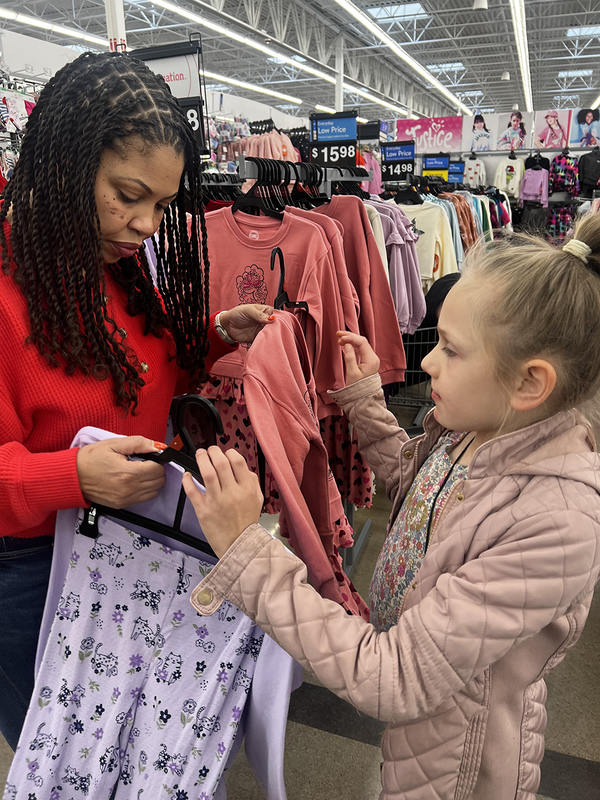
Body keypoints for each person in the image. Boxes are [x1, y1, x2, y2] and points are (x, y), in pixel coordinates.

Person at [183, 218, 600, 800]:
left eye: (451, 351)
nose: (427, 363)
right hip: (426, 727)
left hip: (462, 770)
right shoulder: (484, 432)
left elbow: (395, 675)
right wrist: (362, 400)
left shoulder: (556, 521)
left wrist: (247, 555)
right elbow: (419, 487)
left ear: (530, 383)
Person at [0, 51, 273, 750]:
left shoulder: (115, 262)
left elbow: (138, 366)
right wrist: (71, 477)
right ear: (64, 164)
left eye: (161, 204)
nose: (147, 223)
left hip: (135, 545)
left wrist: (213, 338)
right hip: (33, 570)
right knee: (61, 758)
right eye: (128, 193)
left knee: (131, 748)